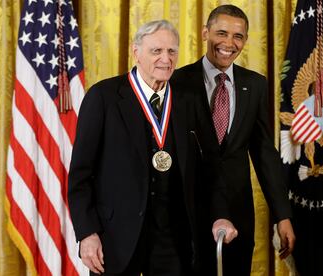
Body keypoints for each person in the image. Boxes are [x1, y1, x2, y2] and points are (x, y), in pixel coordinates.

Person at [68, 20, 237, 276]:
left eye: (171, 51)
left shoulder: (189, 100)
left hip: (175, 243)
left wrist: (221, 215)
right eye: (156, 51)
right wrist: (87, 233)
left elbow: (212, 167)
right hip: (115, 241)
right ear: (136, 52)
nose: (165, 59)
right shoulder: (103, 97)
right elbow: (80, 175)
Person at [172, 5, 295, 275]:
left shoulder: (256, 85)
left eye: (238, 36)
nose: (229, 43)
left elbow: (264, 153)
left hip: (238, 212)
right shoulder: (177, 82)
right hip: (187, 212)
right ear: (205, 32)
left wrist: (282, 215)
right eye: (222, 33)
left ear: (246, 41)